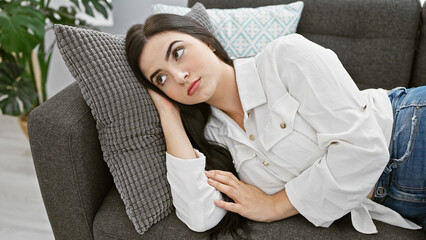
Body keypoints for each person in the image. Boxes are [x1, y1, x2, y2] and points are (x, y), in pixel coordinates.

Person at [125, 13, 425, 238]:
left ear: (206, 42)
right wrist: (168, 113)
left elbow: (364, 148)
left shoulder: (284, 57)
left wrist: (276, 205)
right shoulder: (213, 138)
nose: (178, 76)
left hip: (409, 133)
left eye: (177, 53)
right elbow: (200, 217)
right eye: (160, 78)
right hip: (399, 201)